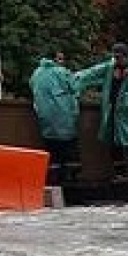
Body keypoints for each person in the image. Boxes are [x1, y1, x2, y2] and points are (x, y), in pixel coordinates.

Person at [75, 43, 128, 179]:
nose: (117, 60)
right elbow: (92, 73)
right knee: (114, 143)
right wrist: (75, 78)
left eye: (119, 57)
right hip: (112, 111)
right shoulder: (110, 67)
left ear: (126, 56)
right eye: (115, 57)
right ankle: (120, 174)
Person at [29, 52, 80, 183]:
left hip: (45, 119)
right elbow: (75, 86)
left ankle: (53, 180)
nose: (62, 61)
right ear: (54, 59)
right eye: (60, 58)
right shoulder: (62, 72)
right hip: (64, 118)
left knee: (52, 153)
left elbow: (32, 88)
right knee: (69, 152)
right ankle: (70, 181)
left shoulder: (36, 73)